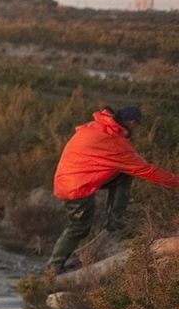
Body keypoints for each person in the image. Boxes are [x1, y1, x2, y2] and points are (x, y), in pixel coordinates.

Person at [45, 106, 178, 275]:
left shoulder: (97, 127)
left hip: (72, 178)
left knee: (124, 174)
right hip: (76, 187)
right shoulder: (113, 141)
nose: (136, 129)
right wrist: (176, 182)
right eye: (136, 125)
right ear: (131, 122)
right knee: (78, 227)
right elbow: (146, 171)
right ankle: (53, 268)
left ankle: (114, 222)